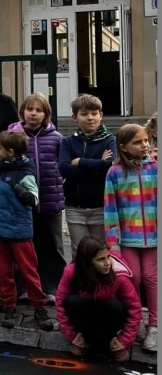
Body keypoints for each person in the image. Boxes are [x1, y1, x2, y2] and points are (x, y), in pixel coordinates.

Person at [0, 129, 53, 331]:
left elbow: (33, 199)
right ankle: (9, 306)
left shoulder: (24, 173)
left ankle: (39, 307)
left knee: (29, 271)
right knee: (4, 273)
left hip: (19, 233)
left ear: (10, 152)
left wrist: (18, 188)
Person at [104, 123, 157, 352]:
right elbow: (110, 208)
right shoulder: (115, 172)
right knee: (132, 280)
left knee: (152, 279)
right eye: (138, 142)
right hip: (127, 239)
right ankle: (133, 323)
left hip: (154, 238)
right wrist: (112, 242)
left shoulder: (156, 168)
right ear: (124, 147)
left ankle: (154, 326)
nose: (144, 145)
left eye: (146, 140)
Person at [10, 93, 66, 297]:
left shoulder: (57, 138)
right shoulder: (13, 137)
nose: (33, 114)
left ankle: (53, 287)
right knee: (24, 246)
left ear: (46, 115)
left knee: (52, 246)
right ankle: (24, 287)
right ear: (22, 112)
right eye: (29, 109)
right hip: (22, 203)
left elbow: (63, 166)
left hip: (50, 200)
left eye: (39, 110)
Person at [55, 238, 142, 361]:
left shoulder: (119, 274)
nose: (107, 263)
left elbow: (134, 307)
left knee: (114, 306)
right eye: (101, 259)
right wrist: (72, 335)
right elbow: (60, 303)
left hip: (109, 317)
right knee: (72, 301)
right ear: (88, 262)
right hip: (86, 317)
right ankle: (84, 339)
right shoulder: (72, 272)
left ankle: (111, 342)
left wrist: (124, 340)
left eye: (108, 257)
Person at [59, 94, 116, 255]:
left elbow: (110, 166)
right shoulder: (68, 142)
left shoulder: (109, 140)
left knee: (100, 252)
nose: (90, 118)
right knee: (79, 252)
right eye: (84, 114)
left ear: (101, 115)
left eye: (94, 113)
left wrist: (80, 161)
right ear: (75, 117)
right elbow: (63, 168)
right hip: (75, 208)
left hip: (101, 206)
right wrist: (98, 165)